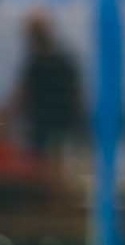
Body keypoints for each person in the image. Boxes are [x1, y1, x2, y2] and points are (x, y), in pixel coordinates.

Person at [6, 11, 85, 167]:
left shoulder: (40, 64)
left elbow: (21, 96)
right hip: (55, 128)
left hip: (49, 129)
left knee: (45, 169)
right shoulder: (61, 61)